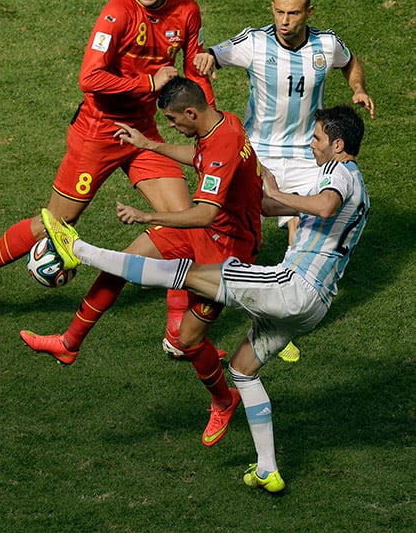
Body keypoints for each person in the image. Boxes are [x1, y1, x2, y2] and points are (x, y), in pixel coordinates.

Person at [39, 103, 370, 493]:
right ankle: (268, 469)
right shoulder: (351, 183)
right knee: (243, 369)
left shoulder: (341, 174)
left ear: (338, 143)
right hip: (312, 307)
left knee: (186, 274)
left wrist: (280, 193)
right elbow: (306, 210)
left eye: (317, 138)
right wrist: (265, 199)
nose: (311, 144)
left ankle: (78, 248)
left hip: (293, 286)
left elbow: (325, 205)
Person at [0, 0, 215, 333]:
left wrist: (207, 121)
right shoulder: (117, 13)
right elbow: (89, 78)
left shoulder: (187, 11)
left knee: (183, 218)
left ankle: (179, 330)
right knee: (55, 223)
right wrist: (148, 85)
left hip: (141, 131)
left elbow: (194, 70)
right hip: (98, 132)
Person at [21, 76, 263, 448]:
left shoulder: (222, 147)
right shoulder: (222, 123)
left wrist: (146, 215)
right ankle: (70, 342)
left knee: (188, 339)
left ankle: (223, 401)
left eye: (170, 120)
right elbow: (198, 157)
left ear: (191, 112)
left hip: (225, 254)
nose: (170, 126)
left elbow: (204, 215)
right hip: (207, 233)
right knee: (123, 262)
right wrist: (149, 144)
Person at [194, 0, 375, 363]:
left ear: (309, 13)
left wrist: (357, 88)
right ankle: (202, 296)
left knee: (303, 231)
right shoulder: (256, 43)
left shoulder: (326, 45)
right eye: (278, 11)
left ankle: (280, 315)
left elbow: (351, 61)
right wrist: (208, 57)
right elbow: (216, 54)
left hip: (310, 154)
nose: (284, 20)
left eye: (293, 13)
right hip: (259, 151)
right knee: (240, 227)